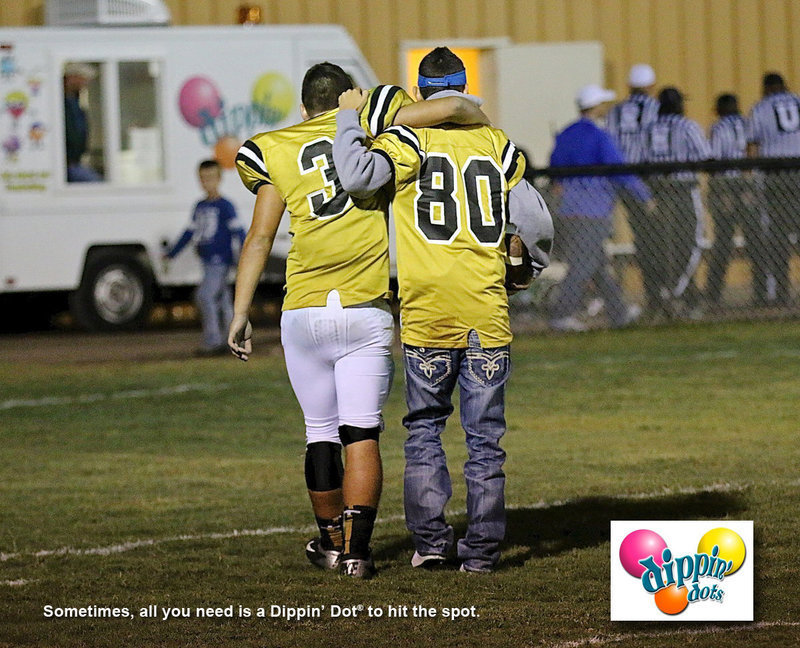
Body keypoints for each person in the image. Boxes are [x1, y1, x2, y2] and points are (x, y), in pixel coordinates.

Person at [228, 62, 489, 579]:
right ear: (348, 96)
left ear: (303, 108)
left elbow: (259, 238)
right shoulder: (369, 120)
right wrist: (451, 107)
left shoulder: (275, 148)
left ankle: (329, 544)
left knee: (319, 432)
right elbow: (459, 107)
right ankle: (356, 554)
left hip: (302, 308)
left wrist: (239, 311)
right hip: (363, 306)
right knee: (361, 433)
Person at [333, 47, 553, 573]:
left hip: (428, 308)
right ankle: (480, 552)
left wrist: (349, 121)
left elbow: (359, 178)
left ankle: (432, 543)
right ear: (463, 86)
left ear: (421, 91)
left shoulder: (409, 136)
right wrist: (526, 271)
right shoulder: (495, 142)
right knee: (485, 441)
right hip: (484, 307)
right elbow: (535, 222)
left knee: (425, 429)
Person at [548, 84, 652, 332]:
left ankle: (619, 312)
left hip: (568, 209)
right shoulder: (599, 136)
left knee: (596, 264)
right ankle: (562, 314)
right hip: (594, 210)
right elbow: (619, 169)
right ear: (595, 107)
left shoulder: (566, 134)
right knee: (584, 264)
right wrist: (644, 195)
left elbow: (555, 171)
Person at [641, 87, 711, 318]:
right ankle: (674, 292)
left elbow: (641, 159)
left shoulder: (649, 128)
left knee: (664, 245)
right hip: (683, 191)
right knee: (694, 242)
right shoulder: (687, 126)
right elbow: (705, 156)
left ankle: (681, 295)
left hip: (657, 192)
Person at [165, 159, 245, 356]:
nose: (206, 183)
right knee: (222, 299)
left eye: (210, 178)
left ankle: (213, 341)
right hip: (207, 261)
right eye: (203, 179)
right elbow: (189, 232)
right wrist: (172, 253)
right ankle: (233, 339)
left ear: (219, 179)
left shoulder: (226, 206)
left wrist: (246, 255)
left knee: (205, 296)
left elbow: (239, 232)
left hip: (220, 260)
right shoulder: (199, 206)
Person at [606, 64, 661, 313]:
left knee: (638, 237)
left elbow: (609, 143)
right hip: (649, 178)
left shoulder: (616, 111)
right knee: (659, 237)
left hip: (621, 178)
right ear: (650, 86)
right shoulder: (656, 108)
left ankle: (648, 291)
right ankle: (660, 292)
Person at [706, 93, 767, 308]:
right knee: (756, 242)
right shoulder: (747, 123)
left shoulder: (719, 127)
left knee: (723, 243)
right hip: (749, 184)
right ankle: (762, 292)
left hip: (727, 186)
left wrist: (722, 194)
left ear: (719, 110)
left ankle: (713, 294)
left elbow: (714, 161)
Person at [747, 72, 800, 306]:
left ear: (766, 88)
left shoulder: (760, 108)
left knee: (778, 237)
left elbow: (751, 146)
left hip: (776, 177)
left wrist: (750, 181)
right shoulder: (797, 101)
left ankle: (781, 292)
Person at [63, 62, 102, 182]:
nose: (85, 83)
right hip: (68, 163)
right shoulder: (62, 103)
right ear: (72, 78)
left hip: (75, 161)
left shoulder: (75, 101)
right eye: (83, 79)